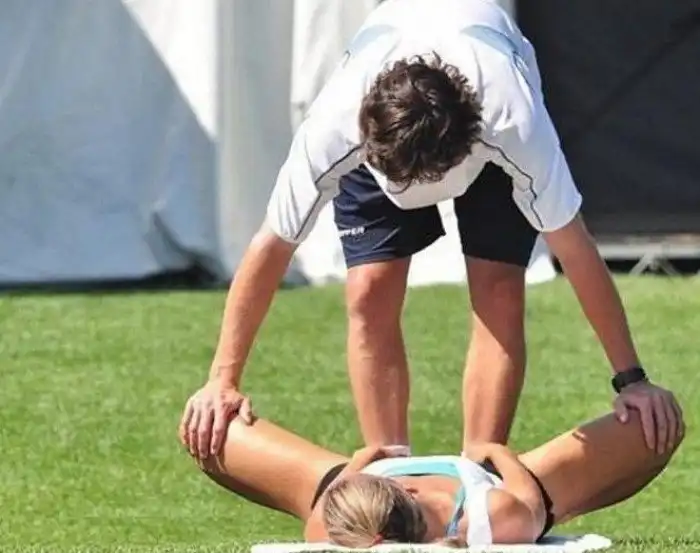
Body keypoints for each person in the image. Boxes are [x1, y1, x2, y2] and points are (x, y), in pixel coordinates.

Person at [179, 0, 683, 461]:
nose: (411, 193)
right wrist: (222, 380)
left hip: (486, 124)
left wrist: (631, 380)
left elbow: (574, 249)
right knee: (368, 289)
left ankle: (481, 467)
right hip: (388, 119)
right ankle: (388, 469)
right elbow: (272, 245)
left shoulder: (514, 122)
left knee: (499, 289)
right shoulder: (335, 125)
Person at [190, 404, 684, 547]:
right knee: (651, 427)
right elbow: (530, 497)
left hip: (353, 493)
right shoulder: (493, 517)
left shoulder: (327, 525)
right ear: (404, 488)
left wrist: (361, 460)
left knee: (214, 432)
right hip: (489, 477)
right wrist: (496, 453)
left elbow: (334, 498)